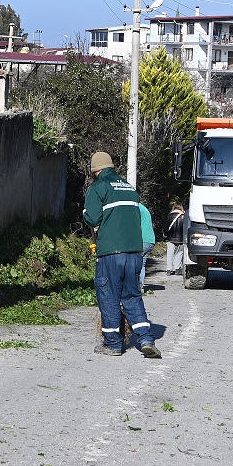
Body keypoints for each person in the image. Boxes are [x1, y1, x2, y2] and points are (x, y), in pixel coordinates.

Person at [84, 152, 160, 358]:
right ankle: (146, 339)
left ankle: (113, 343)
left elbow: (92, 218)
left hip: (111, 252)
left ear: (95, 171)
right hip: (134, 251)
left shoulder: (98, 187)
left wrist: (84, 213)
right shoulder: (129, 188)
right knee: (132, 295)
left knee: (108, 295)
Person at [163, 202, 186, 275]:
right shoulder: (183, 216)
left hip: (170, 237)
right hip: (181, 238)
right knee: (179, 253)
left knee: (170, 253)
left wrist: (165, 234)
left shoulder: (169, 216)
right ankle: (177, 268)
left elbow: (165, 227)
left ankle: (169, 269)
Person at [138, 201, 156, 292]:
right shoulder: (143, 208)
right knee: (142, 265)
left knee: (136, 264)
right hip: (150, 240)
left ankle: (136, 287)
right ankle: (140, 286)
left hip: (142, 239)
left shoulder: (136, 208)